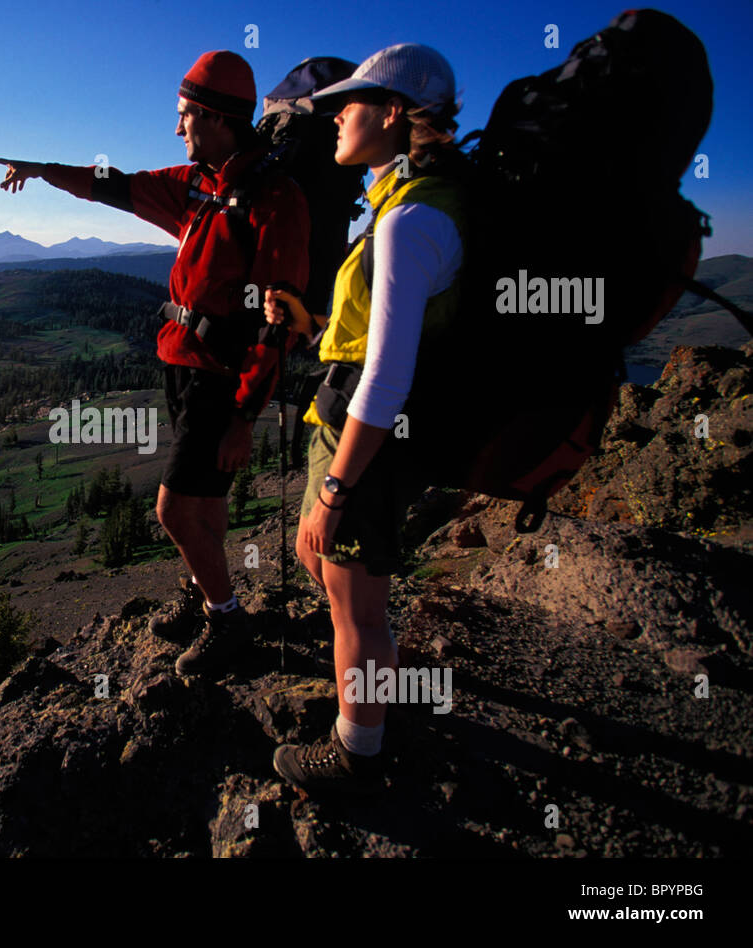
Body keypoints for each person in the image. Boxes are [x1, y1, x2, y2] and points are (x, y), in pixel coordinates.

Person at [0, 51, 310, 679]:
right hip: (183, 362)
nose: (177, 129)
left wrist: (246, 416)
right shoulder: (200, 184)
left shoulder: (273, 200)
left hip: (222, 378)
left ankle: (227, 622)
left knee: (172, 510)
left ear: (218, 118)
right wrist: (44, 170)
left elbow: (279, 325)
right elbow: (118, 185)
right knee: (207, 500)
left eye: (184, 116)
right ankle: (207, 594)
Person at [263, 43, 467, 795]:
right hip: (353, 414)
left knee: (356, 605)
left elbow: (385, 375)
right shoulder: (404, 202)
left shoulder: (407, 220)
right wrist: (312, 322)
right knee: (327, 569)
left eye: (351, 104)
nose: (337, 117)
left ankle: (357, 753)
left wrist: (335, 491)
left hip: (369, 435)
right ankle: (373, 686)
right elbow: (373, 336)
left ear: (390, 114)